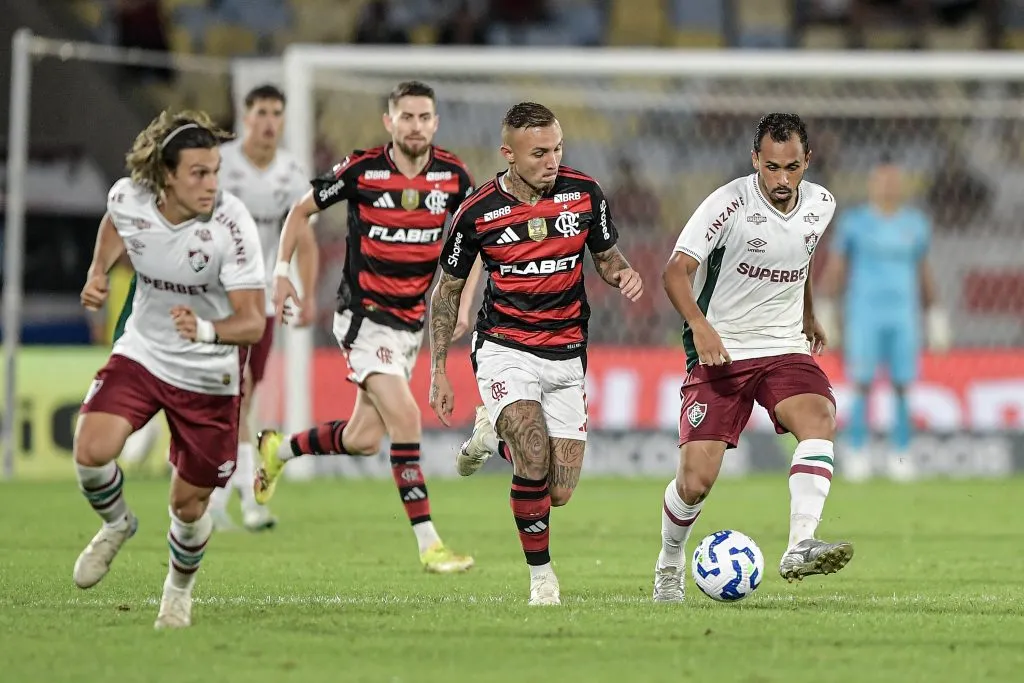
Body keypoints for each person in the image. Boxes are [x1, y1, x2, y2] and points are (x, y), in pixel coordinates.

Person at [254, 81, 479, 573]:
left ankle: (280, 448)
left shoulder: (453, 176)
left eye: (424, 117)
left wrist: (464, 295)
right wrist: (281, 274)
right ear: (389, 121)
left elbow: (476, 235)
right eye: (407, 117)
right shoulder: (363, 169)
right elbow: (300, 210)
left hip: (409, 326)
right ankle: (429, 544)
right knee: (406, 418)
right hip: (363, 318)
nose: (415, 126)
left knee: (363, 439)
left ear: (435, 123)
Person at [428, 102, 644, 606]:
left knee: (559, 489)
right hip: (505, 347)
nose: (552, 161)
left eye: (558, 149)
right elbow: (447, 290)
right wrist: (439, 368)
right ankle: (542, 579)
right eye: (539, 152)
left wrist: (624, 274)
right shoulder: (477, 212)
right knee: (531, 453)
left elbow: (609, 259)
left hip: (567, 353)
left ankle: (489, 432)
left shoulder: (585, 194)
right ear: (508, 153)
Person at [75, 110, 266, 628]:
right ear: (165, 176)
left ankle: (178, 591)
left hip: (208, 375)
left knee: (187, 506)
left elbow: (251, 323)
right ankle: (116, 525)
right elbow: (116, 222)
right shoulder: (129, 197)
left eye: (215, 172)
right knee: (91, 451)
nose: (211, 185)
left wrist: (205, 330)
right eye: (198, 174)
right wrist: (98, 271)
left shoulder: (232, 224)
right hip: (144, 351)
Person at [653, 113, 853, 604]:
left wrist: (808, 314)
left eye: (792, 168)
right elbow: (675, 272)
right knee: (696, 482)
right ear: (754, 161)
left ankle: (800, 544)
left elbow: (800, 255)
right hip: (722, 349)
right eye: (771, 168)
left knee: (820, 418)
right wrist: (699, 325)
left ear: (808, 161)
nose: (782, 181)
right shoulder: (726, 205)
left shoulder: (822, 204)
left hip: (784, 346)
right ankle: (669, 561)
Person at [202, 84, 311, 530]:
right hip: (219, 296)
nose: (269, 121)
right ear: (245, 117)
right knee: (235, 392)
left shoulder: (291, 172)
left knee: (243, 394)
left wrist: (303, 292)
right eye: (261, 112)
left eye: (276, 113)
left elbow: (303, 235)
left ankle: (225, 499)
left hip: (264, 300)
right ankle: (241, 499)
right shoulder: (220, 165)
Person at [818, 157, 949, 481]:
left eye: (894, 180)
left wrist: (934, 312)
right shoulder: (855, 223)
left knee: (903, 385)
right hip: (865, 314)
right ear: (872, 184)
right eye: (882, 180)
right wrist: (825, 306)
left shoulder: (915, 224)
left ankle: (900, 452)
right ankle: (858, 449)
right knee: (861, 383)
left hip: (903, 315)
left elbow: (923, 270)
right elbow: (836, 267)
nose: (888, 186)